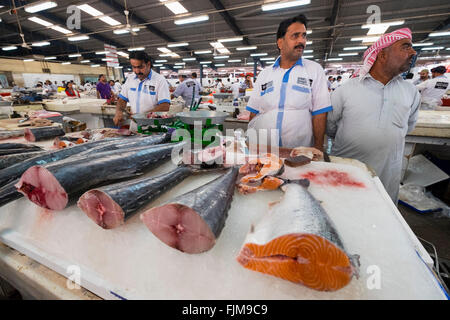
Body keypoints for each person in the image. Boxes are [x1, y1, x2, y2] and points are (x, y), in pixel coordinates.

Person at [326, 28, 420, 203]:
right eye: (405, 47)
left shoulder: (411, 92)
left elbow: (408, 127)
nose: (413, 52)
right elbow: (330, 127)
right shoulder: (346, 91)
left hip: (386, 178)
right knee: (344, 213)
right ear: (382, 55)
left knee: (382, 217)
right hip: (347, 173)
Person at [246, 14, 331, 150]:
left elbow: (319, 113)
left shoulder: (314, 70)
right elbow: (254, 112)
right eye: (295, 36)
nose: (301, 41)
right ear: (280, 43)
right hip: (265, 149)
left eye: (304, 36)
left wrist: (318, 148)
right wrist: (251, 145)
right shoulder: (265, 74)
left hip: (298, 151)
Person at [113, 51, 170, 132]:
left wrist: (142, 116)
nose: (137, 71)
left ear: (148, 64)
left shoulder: (159, 80)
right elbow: (122, 99)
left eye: (140, 67)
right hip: (134, 127)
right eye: (134, 67)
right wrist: (119, 111)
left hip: (153, 127)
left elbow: (165, 106)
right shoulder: (130, 79)